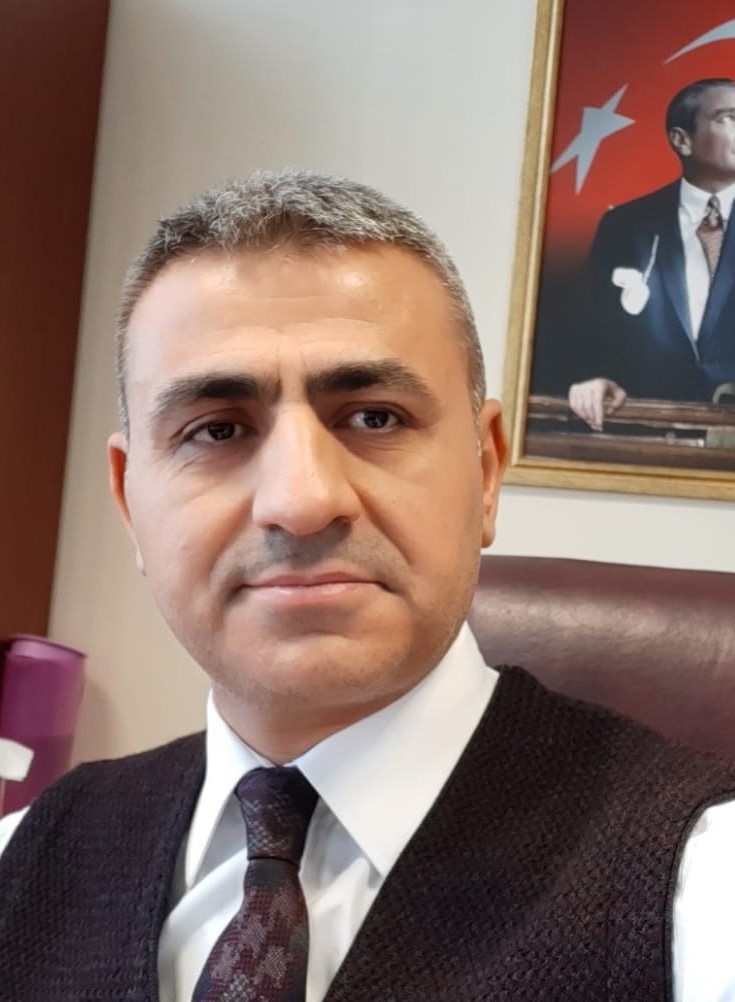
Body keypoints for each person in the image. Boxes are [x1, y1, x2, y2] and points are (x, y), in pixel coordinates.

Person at [1, 169, 735, 1001]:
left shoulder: (703, 898)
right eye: (216, 430)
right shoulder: (21, 863)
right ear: (130, 501)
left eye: (373, 417)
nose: (301, 501)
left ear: (486, 472)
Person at [568, 78, 735, 430]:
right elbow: (590, 330)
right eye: (728, 118)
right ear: (682, 140)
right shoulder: (625, 225)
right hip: (642, 427)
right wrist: (593, 378)